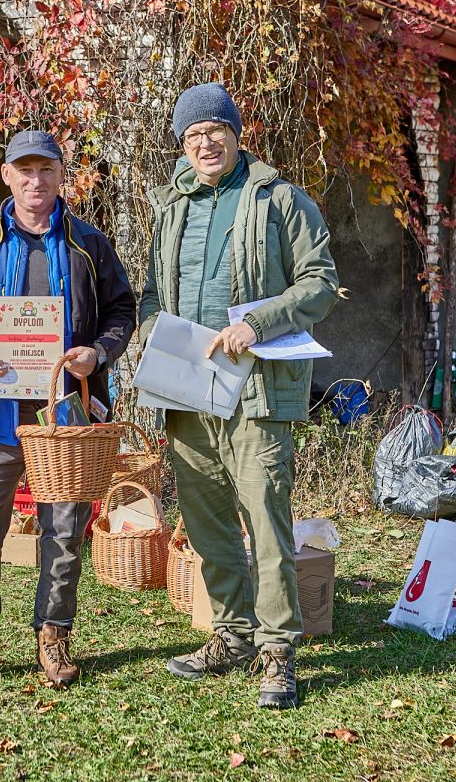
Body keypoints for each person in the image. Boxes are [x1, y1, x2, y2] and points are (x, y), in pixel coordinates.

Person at [139, 83, 340, 709]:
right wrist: (154, 337)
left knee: (265, 521)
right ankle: (231, 635)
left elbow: (320, 283)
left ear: (235, 133)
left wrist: (258, 323)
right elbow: (152, 295)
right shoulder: (171, 207)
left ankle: (278, 651)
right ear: (182, 144)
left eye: (215, 130)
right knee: (206, 521)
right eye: (193, 134)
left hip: (256, 388)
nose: (205, 143)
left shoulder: (279, 199)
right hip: (187, 390)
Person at [0, 130, 136, 688]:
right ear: (7, 176)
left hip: (64, 419)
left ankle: (53, 633)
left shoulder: (89, 244)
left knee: (63, 532)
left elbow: (123, 311)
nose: (35, 180)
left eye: (46, 169)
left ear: (62, 174)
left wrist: (99, 353)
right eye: (25, 170)